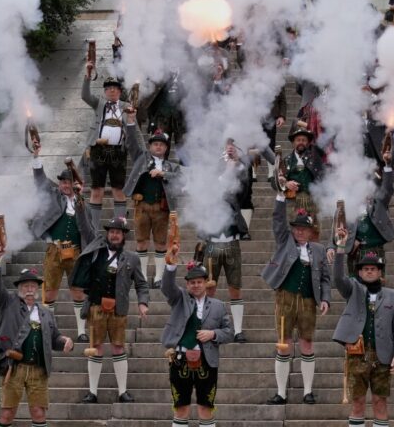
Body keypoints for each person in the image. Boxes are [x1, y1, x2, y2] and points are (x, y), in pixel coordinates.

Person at [0, 248, 73, 427]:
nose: (29, 289)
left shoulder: (46, 313)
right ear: (19, 288)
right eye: (25, 286)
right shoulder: (8, 303)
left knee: (39, 413)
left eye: (32, 286)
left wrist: (65, 341)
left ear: (37, 289)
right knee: (7, 414)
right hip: (14, 368)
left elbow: (54, 339)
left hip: (38, 369)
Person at [70, 217, 150, 404]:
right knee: (96, 347)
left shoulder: (132, 258)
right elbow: (84, 225)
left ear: (123, 236)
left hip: (118, 309)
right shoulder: (96, 251)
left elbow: (141, 284)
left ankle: (123, 392)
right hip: (96, 307)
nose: (114, 235)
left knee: (118, 347)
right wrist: (79, 200)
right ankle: (92, 392)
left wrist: (143, 303)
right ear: (107, 234)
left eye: (118, 232)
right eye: (112, 232)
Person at [262, 194, 331, 405]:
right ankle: (281, 392)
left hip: (309, 300)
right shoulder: (285, 241)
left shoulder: (319, 251)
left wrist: (326, 299)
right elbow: (278, 220)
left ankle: (307, 391)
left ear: (311, 231)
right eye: (297, 228)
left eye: (304, 228)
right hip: (285, 297)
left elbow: (326, 279)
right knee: (284, 344)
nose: (300, 231)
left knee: (307, 343)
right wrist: (281, 196)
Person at [331, 238, 394, 427]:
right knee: (357, 403)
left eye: (373, 268)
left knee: (380, 403)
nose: (369, 271)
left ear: (380, 271)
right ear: (359, 272)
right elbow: (338, 278)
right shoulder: (353, 289)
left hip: (383, 356)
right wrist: (340, 248)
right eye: (365, 268)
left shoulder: (393, 296)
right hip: (357, 354)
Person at [29, 143, 96, 342]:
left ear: (76, 184)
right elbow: (40, 181)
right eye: (63, 183)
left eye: (68, 183)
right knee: (49, 291)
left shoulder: (83, 205)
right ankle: (48, 329)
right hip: (54, 250)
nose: (65, 186)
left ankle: (81, 331)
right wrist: (36, 157)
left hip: (75, 252)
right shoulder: (52, 196)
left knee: (77, 292)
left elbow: (89, 231)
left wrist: (80, 201)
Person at [161, 249, 234, 427]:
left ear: (205, 283)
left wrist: (213, 334)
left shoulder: (218, 306)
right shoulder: (179, 298)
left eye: (199, 282)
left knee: (205, 408)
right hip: (180, 360)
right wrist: (170, 265)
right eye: (192, 282)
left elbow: (230, 332)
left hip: (207, 361)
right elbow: (167, 287)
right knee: (181, 408)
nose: (195, 285)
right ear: (187, 285)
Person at [195, 141, 254, 342]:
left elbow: (244, 188)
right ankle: (207, 326)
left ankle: (238, 330)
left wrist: (238, 164)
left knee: (235, 287)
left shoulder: (236, 177)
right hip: (211, 241)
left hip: (231, 240)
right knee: (209, 287)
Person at [125, 109, 181, 285]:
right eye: (155, 144)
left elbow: (181, 178)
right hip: (142, 207)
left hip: (161, 209)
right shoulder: (141, 159)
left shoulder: (171, 166)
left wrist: (163, 174)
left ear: (166, 148)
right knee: (141, 243)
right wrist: (132, 121)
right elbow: (133, 142)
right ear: (150, 147)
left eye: (161, 144)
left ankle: (158, 278)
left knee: (160, 244)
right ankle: (141, 278)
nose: (158, 146)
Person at [328, 149, 394, 275]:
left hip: (376, 250)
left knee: (376, 289)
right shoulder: (346, 204)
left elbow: (388, 188)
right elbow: (337, 226)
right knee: (354, 289)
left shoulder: (379, 201)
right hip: (355, 252)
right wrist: (331, 246)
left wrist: (387, 165)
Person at [81, 74, 133, 226]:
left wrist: (142, 152)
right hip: (98, 151)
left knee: (119, 189)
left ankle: (120, 225)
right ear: (104, 92)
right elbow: (84, 95)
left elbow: (134, 130)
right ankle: (94, 228)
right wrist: (87, 77)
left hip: (118, 152)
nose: (111, 91)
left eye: (115, 89)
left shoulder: (126, 107)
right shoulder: (99, 104)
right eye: (108, 89)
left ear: (119, 91)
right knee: (97, 190)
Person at [277, 123, 326, 236]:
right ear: (293, 142)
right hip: (293, 202)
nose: (301, 142)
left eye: (304, 140)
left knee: (313, 233)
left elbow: (323, 175)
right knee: (294, 233)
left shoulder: (315, 157)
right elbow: (277, 181)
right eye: (298, 140)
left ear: (308, 143)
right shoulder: (287, 160)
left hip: (312, 200)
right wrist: (287, 183)